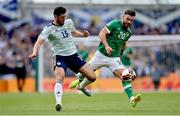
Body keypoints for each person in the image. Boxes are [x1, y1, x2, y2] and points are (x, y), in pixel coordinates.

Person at [29, 6, 96, 111]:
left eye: (65, 16)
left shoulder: (68, 22)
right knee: (60, 78)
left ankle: (81, 86)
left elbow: (73, 32)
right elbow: (38, 42)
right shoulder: (48, 29)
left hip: (73, 55)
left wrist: (83, 35)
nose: (64, 19)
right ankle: (58, 103)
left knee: (92, 77)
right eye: (62, 17)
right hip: (60, 57)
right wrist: (34, 52)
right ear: (55, 16)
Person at [70, 9, 142, 107]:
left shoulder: (129, 32)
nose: (129, 22)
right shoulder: (115, 23)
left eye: (131, 20)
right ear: (123, 16)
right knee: (86, 74)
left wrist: (120, 57)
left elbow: (123, 44)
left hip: (114, 59)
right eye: (128, 19)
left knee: (125, 76)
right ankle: (80, 84)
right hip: (100, 55)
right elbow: (101, 33)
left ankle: (132, 99)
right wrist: (107, 46)